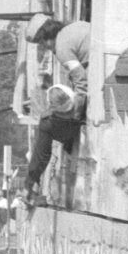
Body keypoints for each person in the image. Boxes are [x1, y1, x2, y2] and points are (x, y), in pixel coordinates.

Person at [23, 13, 91, 203]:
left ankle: (31, 183)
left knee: (46, 124)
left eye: (42, 43)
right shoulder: (76, 27)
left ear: (46, 37)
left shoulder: (61, 47)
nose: (46, 48)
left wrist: (75, 113)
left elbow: (81, 81)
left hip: (95, 95)